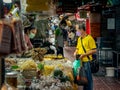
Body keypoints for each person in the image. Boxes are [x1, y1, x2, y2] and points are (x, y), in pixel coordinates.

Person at [74, 23, 97, 90]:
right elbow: (77, 48)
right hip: (80, 61)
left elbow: (94, 50)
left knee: (88, 78)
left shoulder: (89, 38)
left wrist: (84, 55)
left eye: (77, 30)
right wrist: (75, 52)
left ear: (82, 30)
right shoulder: (79, 39)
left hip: (87, 61)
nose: (77, 32)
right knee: (83, 78)